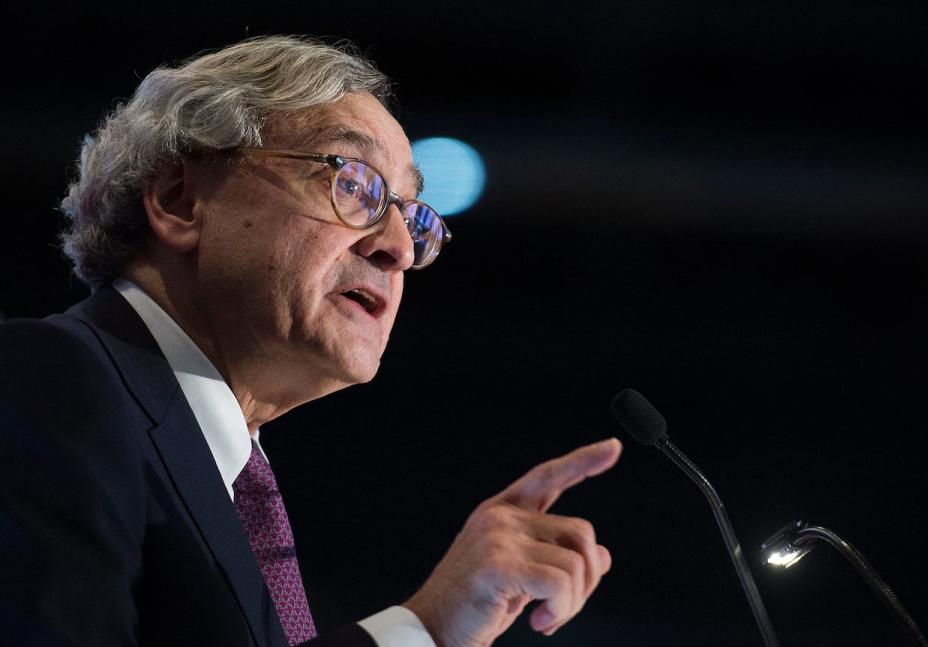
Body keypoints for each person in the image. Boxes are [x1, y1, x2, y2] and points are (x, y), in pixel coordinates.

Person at [0, 35, 622, 647]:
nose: (399, 247)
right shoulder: (46, 383)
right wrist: (422, 629)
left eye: (412, 213)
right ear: (179, 200)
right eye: (354, 183)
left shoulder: (229, 479)